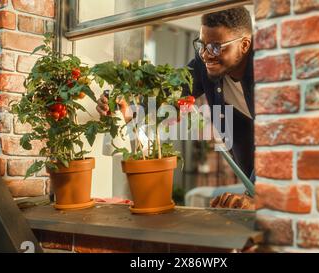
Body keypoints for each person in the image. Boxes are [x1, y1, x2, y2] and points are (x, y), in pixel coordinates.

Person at [97, 7, 256, 210]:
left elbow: (280, 135)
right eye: (202, 45)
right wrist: (122, 101)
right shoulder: (203, 64)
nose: (207, 55)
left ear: (244, 45)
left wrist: (262, 193)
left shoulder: (270, 64)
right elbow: (169, 92)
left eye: (216, 47)